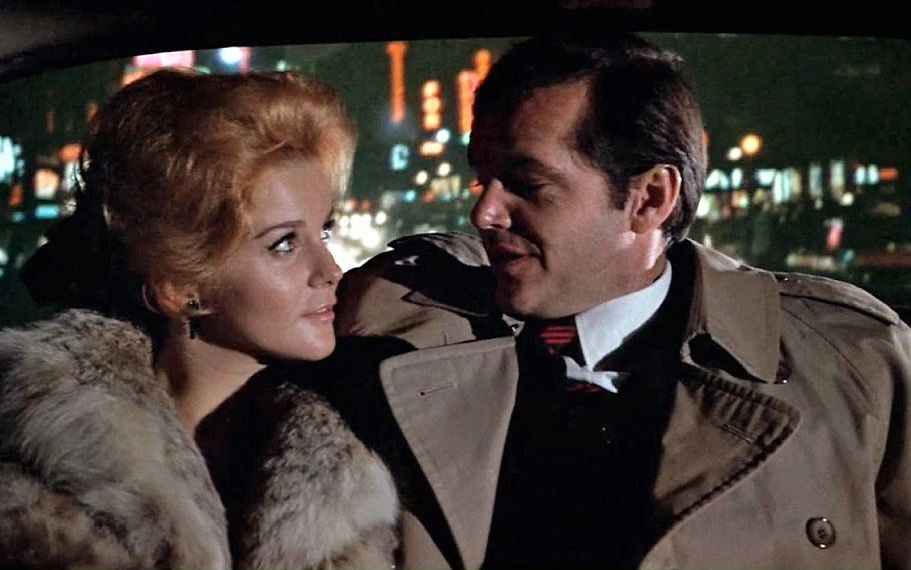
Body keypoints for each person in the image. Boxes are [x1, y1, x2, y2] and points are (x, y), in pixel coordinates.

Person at [332, 33, 911, 569]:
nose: (484, 212)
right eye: (483, 179)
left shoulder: (852, 364)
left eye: (528, 185)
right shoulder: (399, 333)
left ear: (649, 199)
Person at [0, 69, 399, 570]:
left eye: (325, 232)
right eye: (285, 244)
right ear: (182, 284)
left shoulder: (371, 434)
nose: (330, 271)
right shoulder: (43, 458)